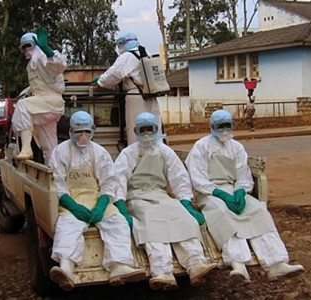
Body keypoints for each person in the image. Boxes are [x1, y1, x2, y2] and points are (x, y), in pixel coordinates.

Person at [185, 109, 304, 282]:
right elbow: (198, 179)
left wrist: (240, 191)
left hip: (232, 189)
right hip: (210, 192)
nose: (224, 130)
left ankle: (276, 263)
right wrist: (221, 195)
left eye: (228, 126)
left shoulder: (237, 147)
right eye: (220, 126)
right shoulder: (201, 147)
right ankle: (237, 263)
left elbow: (243, 174)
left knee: (258, 210)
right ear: (212, 127)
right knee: (223, 214)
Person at [114, 112, 217, 291]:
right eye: (142, 130)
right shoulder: (128, 153)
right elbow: (119, 179)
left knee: (182, 218)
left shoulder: (165, 151)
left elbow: (179, 177)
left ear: (156, 129)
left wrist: (185, 202)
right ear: (136, 131)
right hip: (137, 197)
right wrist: (121, 206)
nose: (146, 134)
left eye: (150, 129)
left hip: (161, 195)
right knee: (151, 224)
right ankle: (162, 271)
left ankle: (195, 263)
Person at [47, 111, 146, 291]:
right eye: (78, 132)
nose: (83, 136)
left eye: (87, 131)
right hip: (72, 200)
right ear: (70, 132)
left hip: (96, 198)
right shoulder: (60, 152)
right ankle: (66, 268)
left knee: (118, 223)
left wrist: (101, 205)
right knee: (68, 226)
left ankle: (118, 266)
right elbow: (57, 182)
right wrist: (72, 205)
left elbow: (109, 181)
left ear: (93, 130)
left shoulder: (99, 152)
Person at [91, 32, 163, 145]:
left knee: (136, 129)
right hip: (150, 96)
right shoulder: (145, 52)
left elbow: (113, 74)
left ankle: (136, 157)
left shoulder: (127, 56)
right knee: (153, 130)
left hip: (136, 96)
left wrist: (100, 81)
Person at [12, 28, 67, 162]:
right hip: (44, 105)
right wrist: (27, 91)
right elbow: (40, 83)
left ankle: (26, 147)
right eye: (23, 48)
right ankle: (52, 171)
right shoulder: (32, 64)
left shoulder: (41, 56)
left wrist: (47, 49)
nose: (26, 50)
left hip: (49, 101)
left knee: (23, 107)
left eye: (28, 46)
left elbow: (60, 66)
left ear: (36, 44)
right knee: (49, 144)